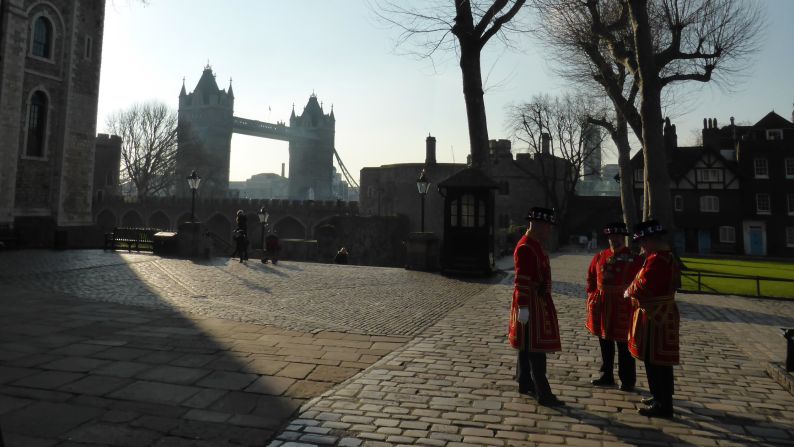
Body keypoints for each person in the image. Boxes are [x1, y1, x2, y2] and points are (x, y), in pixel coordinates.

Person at [625, 219, 681, 418]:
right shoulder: (661, 256)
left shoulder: (658, 259)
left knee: (657, 360)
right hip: (658, 313)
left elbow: (646, 285)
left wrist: (629, 291)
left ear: (651, 240)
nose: (641, 247)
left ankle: (663, 403)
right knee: (654, 358)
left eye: (642, 242)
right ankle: (658, 395)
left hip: (657, 315)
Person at [508, 207, 563, 407]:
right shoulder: (526, 247)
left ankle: (524, 381)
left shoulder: (536, 244)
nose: (549, 231)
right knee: (535, 348)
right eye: (547, 227)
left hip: (537, 299)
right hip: (530, 301)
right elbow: (521, 279)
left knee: (526, 344)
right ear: (538, 226)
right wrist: (523, 306)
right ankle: (543, 392)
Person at [585, 222, 643, 391]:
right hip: (602, 304)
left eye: (618, 236)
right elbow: (590, 277)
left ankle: (627, 379)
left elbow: (639, 281)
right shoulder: (600, 256)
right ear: (608, 237)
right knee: (605, 341)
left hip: (622, 304)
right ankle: (606, 375)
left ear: (623, 238)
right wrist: (591, 295)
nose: (615, 239)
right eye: (612, 236)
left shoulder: (634, 259)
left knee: (624, 343)